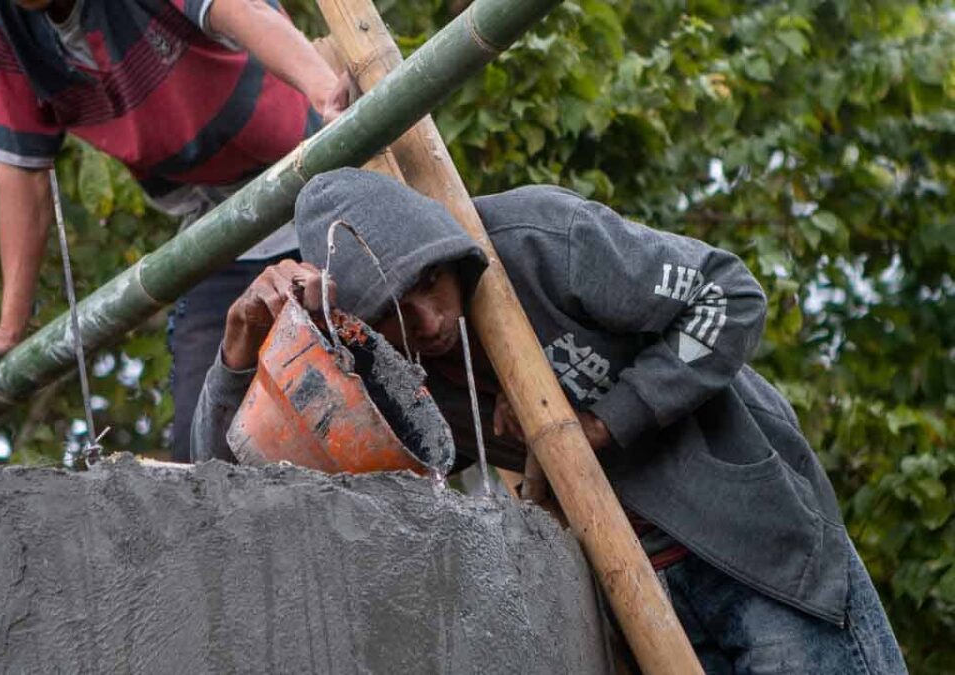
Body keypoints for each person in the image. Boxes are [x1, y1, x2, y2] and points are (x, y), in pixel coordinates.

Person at [191, 167, 908, 673]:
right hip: (635, 596)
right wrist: (238, 355)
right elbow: (238, 478)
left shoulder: (538, 237)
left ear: (446, 255)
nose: (431, 320)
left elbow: (730, 295)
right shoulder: (378, 372)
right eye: (395, 313)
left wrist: (601, 421)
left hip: (752, 543)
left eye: (431, 285)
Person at [0, 0, 348, 462]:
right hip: (219, 232)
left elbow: (238, 10)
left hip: (309, 181)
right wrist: (7, 329)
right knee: (207, 450)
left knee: (367, 381)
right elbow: (21, 168)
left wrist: (326, 96)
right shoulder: (7, 21)